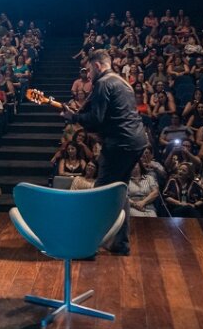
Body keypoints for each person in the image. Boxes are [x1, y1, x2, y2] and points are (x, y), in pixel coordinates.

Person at [62, 49, 149, 255]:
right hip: (137, 142)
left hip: (119, 145)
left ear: (98, 66)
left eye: (89, 70)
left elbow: (96, 118)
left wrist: (73, 118)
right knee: (120, 192)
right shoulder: (122, 82)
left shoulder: (102, 83)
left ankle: (87, 247)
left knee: (99, 194)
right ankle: (121, 243)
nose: (88, 75)